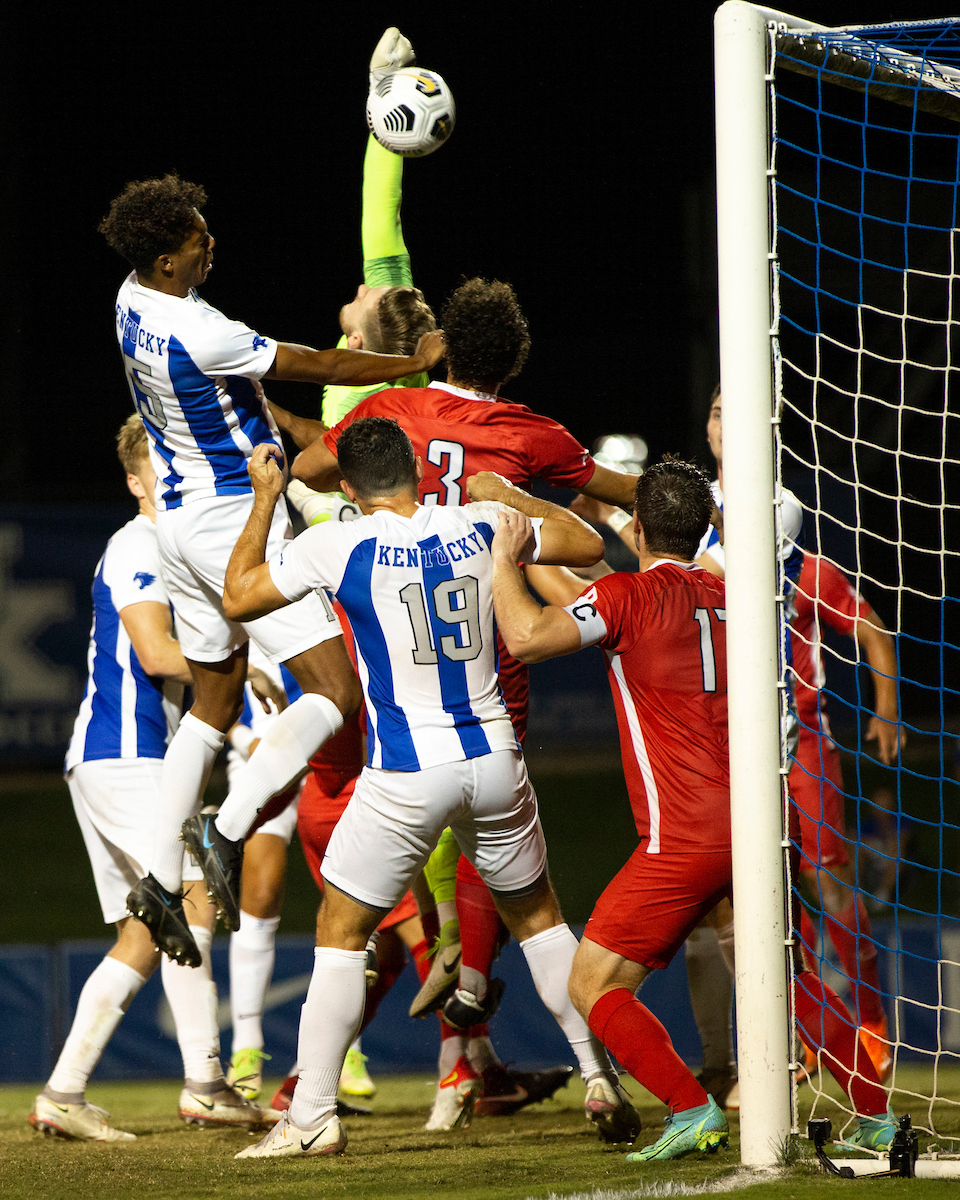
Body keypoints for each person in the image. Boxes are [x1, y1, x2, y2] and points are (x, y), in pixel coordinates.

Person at [214, 417, 639, 1159]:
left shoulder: (339, 540)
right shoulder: (479, 522)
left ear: (349, 488)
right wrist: (512, 497)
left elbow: (238, 596)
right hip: (496, 757)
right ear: (416, 466)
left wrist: (264, 497)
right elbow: (585, 543)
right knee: (541, 923)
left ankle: (311, 1116)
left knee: (341, 931)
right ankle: (599, 1076)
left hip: (409, 771)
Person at [489, 457, 896, 1161]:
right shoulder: (735, 596)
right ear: (706, 526)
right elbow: (595, 597)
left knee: (592, 983)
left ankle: (690, 1106)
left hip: (685, 834)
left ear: (639, 529)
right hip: (763, 819)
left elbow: (528, 635)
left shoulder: (627, 597)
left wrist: (502, 556)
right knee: (785, 977)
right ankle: (875, 1114)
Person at [277, 277, 637, 1048]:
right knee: (507, 852)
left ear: (442, 346)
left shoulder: (390, 408)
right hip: (488, 645)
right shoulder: (533, 431)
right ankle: (479, 979)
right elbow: (610, 502)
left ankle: (434, 972)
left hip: (391, 636)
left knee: (352, 868)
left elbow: (307, 470)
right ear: (514, 360)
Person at [98, 169, 444, 968]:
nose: (210, 245)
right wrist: (406, 361)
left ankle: (159, 881)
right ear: (166, 261)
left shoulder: (128, 299)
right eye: (198, 240)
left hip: (176, 523)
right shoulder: (201, 329)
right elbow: (314, 365)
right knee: (334, 690)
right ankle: (224, 832)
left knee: (211, 705)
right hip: (234, 520)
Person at [29, 417, 264, 1142]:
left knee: (144, 932)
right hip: (123, 755)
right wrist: (241, 672)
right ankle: (206, 1084)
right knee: (192, 898)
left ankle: (63, 1093)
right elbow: (158, 655)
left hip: (122, 758)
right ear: (135, 483)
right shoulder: (138, 544)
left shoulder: (174, 546)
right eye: (159, 470)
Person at [790, 551, 905, 1080]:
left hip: (804, 744)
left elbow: (872, 628)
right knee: (763, 890)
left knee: (828, 883)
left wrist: (887, 707)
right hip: (734, 746)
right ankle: (811, 1031)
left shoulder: (808, 571)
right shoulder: (710, 562)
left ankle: (872, 1023)